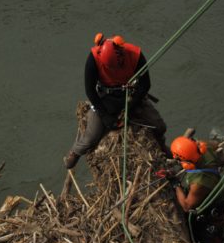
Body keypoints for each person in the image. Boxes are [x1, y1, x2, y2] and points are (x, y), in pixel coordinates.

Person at [64, 33, 169, 169]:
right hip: (106, 97)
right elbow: (90, 91)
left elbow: (145, 85)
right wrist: (104, 115)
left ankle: (161, 147)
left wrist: (131, 105)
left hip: (130, 95)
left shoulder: (135, 54)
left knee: (158, 125)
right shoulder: (93, 58)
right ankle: (75, 152)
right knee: (92, 135)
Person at [159, 136, 224, 243]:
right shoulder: (206, 149)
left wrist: (175, 182)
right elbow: (215, 144)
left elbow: (187, 206)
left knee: (208, 238)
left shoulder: (199, 182)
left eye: (179, 159)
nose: (177, 161)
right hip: (211, 192)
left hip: (212, 209)